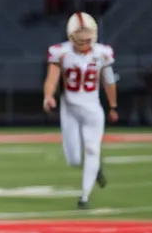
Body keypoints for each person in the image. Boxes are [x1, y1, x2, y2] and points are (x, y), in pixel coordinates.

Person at [43, 12, 117, 208]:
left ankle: (84, 197)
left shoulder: (102, 52)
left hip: (93, 109)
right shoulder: (61, 52)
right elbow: (52, 78)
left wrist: (113, 106)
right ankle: (95, 166)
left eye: (88, 34)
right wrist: (48, 96)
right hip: (70, 110)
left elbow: (109, 81)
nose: (85, 39)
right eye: (80, 35)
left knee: (92, 149)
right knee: (74, 159)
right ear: (71, 36)